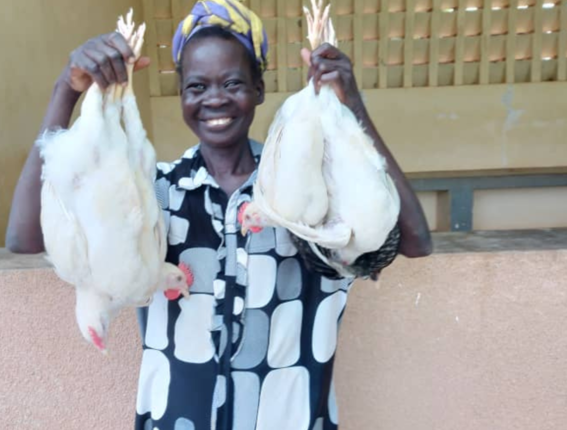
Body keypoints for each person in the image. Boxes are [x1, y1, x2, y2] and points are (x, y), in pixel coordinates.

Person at [6, 1, 432, 429]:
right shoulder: (153, 193)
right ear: (182, 98)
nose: (214, 99)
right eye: (196, 87)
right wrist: (68, 89)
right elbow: (24, 239)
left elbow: (415, 242)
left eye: (232, 83)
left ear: (259, 90)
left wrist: (349, 105)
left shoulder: (308, 192)